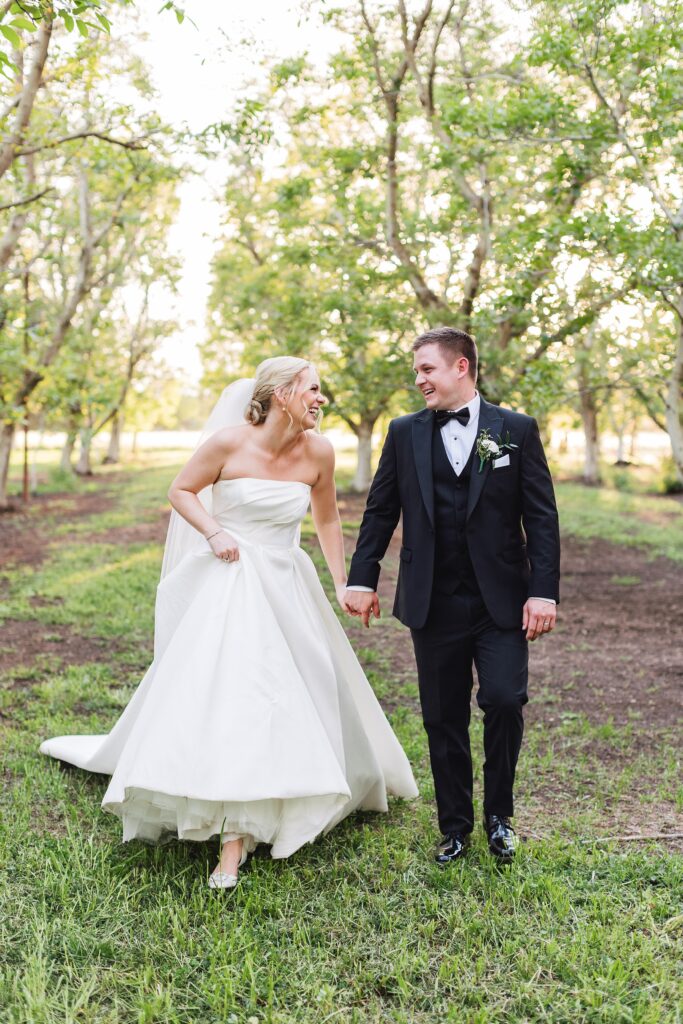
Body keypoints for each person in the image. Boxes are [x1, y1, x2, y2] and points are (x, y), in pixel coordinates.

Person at [40, 356, 418, 888]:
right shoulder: (227, 443)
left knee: (297, 690)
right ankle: (231, 842)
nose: (320, 399)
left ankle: (287, 789)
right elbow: (180, 491)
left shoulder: (320, 452)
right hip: (231, 580)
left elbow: (327, 517)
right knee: (237, 694)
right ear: (282, 394)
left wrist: (340, 583)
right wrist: (215, 532)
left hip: (287, 583)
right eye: (313, 389)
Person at [344, 328, 560, 864]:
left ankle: (499, 818)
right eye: (416, 371)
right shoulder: (403, 433)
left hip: (502, 601)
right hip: (432, 599)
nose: (418, 380)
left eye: (426, 370)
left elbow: (542, 518)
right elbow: (379, 511)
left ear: (461, 367)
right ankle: (457, 827)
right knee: (443, 716)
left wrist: (543, 593)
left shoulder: (516, 429)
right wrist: (362, 577)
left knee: (505, 701)